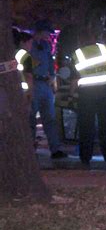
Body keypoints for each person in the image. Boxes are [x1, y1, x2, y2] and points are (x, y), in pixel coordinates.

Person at [70, 10, 106, 167]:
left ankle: (85, 157)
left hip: (87, 94)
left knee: (86, 127)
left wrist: (71, 95)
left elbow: (74, 78)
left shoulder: (77, 54)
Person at [29, 20, 68, 159]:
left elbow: (50, 64)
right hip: (33, 83)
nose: (48, 36)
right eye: (46, 32)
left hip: (45, 85)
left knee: (50, 119)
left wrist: (52, 77)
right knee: (30, 118)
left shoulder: (45, 46)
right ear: (40, 31)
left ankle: (55, 149)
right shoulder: (29, 46)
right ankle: (30, 149)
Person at [13, 30, 34, 105]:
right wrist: (30, 93)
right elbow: (28, 76)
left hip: (11, 89)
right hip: (22, 92)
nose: (31, 46)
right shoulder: (25, 55)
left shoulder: (11, 53)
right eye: (30, 43)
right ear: (22, 42)